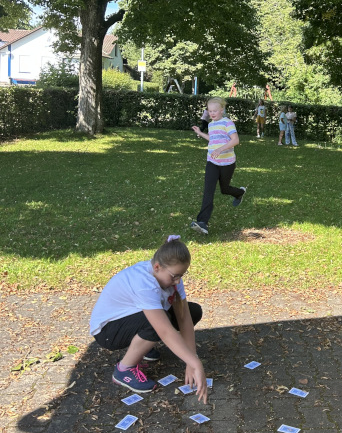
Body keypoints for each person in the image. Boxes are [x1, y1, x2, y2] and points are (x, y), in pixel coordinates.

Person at [89, 236, 207, 402]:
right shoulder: (144, 283)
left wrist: (191, 358)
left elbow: (184, 317)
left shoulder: (170, 276)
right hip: (107, 331)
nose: (178, 281)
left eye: (182, 275)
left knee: (193, 311)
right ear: (157, 267)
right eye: (174, 276)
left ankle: (143, 346)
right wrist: (196, 364)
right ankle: (124, 370)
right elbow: (164, 330)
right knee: (159, 322)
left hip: (129, 319)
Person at [190, 97, 246, 235]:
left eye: (215, 110)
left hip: (227, 163)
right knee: (208, 190)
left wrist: (220, 149)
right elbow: (213, 139)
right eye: (210, 111)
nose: (212, 113)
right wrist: (200, 133)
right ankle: (202, 222)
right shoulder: (211, 125)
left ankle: (240, 193)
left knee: (225, 189)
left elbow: (235, 140)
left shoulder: (227, 123)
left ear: (222, 110)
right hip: (212, 162)